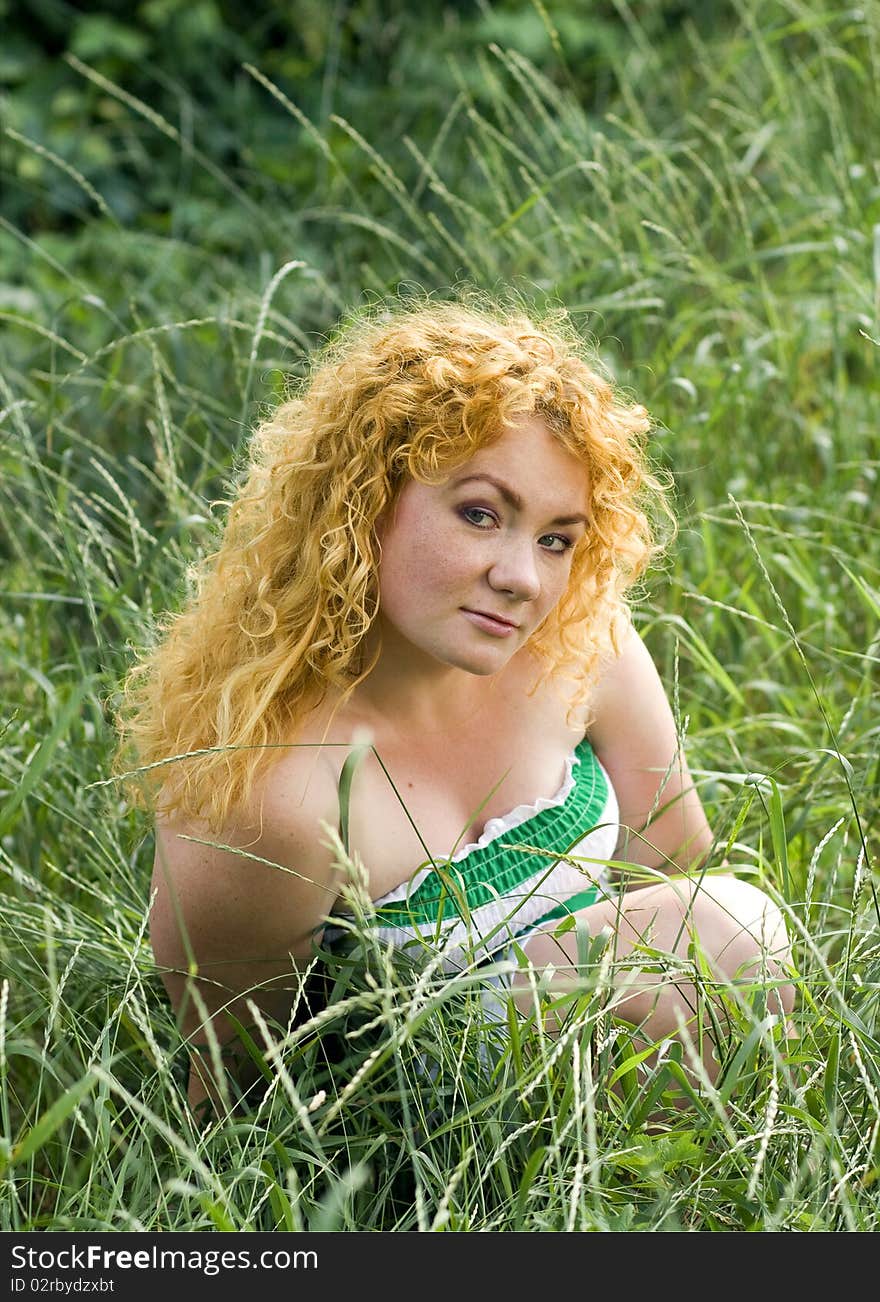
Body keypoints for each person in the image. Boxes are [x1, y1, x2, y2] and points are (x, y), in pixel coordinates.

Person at [117, 298, 794, 1115]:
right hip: (422, 1145)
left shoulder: (578, 638)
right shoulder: (273, 794)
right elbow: (235, 1099)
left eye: (556, 538)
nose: (525, 579)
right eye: (481, 514)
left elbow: (675, 872)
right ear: (363, 502)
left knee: (730, 926)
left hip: (620, 1110)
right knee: (730, 928)